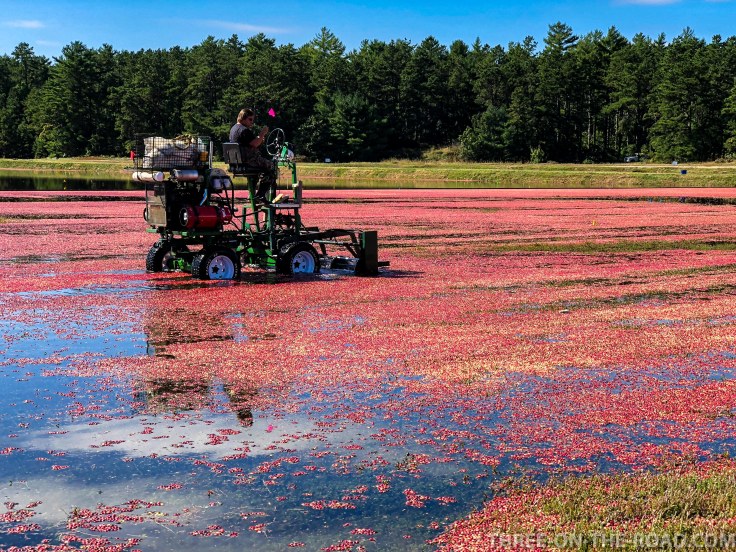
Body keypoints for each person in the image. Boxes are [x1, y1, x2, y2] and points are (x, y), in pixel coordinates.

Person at [229, 108, 276, 202]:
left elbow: (252, 143)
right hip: (248, 161)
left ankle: (252, 194)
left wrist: (259, 140)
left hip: (237, 163)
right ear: (242, 118)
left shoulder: (234, 129)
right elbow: (254, 144)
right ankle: (261, 195)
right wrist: (262, 133)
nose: (252, 122)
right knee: (272, 166)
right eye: (250, 119)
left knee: (257, 173)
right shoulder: (244, 130)